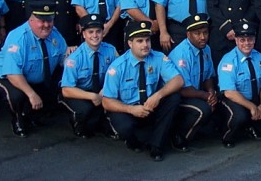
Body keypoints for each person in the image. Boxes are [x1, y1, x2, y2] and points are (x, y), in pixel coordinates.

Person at [102, 20, 183, 162]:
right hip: (128, 110)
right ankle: (132, 141)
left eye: (147, 40)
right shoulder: (118, 67)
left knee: (173, 98)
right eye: (140, 41)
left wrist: (158, 95)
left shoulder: (157, 57)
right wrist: (131, 110)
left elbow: (178, 80)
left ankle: (156, 146)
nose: (145, 45)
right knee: (124, 125)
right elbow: (107, 101)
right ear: (130, 43)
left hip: (150, 105)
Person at [0, 1, 69, 138]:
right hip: (7, 77)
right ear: (31, 20)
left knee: (59, 84)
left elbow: (63, 59)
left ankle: (33, 115)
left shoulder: (55, 34)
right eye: (41, 21)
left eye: (49, 20)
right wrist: (31, 95)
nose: (46, 25)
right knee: (17, 96)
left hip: (36, 78)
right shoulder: (18, 37)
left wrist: (72, 57)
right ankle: (18, 119)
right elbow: (13, 73)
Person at [217, 20, 261, 148]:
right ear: (236, 40)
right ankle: (228, 135)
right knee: (239, 116)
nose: (246, 43)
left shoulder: (260, 57)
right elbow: (229, 92)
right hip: (234, 99)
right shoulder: (228, 61)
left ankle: (254, 128)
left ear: (254, 40)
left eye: (250, 39)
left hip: (255, 98)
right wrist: (251, 106)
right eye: (242, 40)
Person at [59, 14, 118, 138]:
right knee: (84, 111)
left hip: (102, 89)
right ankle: (78, 124)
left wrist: (103, 93)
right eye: (90, 32)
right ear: (84, 34)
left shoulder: (111, 51)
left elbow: (117, 75)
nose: (95, 35)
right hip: (79, 92)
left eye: (98, 31)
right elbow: (66, 89)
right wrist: (92, 96)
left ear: (103, 33)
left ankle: (105, 125)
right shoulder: (74, 58)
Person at [168, 13, 217, 151]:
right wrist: (207, 97)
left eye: (205, 33)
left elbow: (208, 75)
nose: (202, 37)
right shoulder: (181, 54)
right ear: (188, 35)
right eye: (197, 33)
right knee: (203, 110)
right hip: (179, 96)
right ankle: (179, 136)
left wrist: (211, 93)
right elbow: (183, 89)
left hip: (196, 93)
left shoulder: (206, 49)